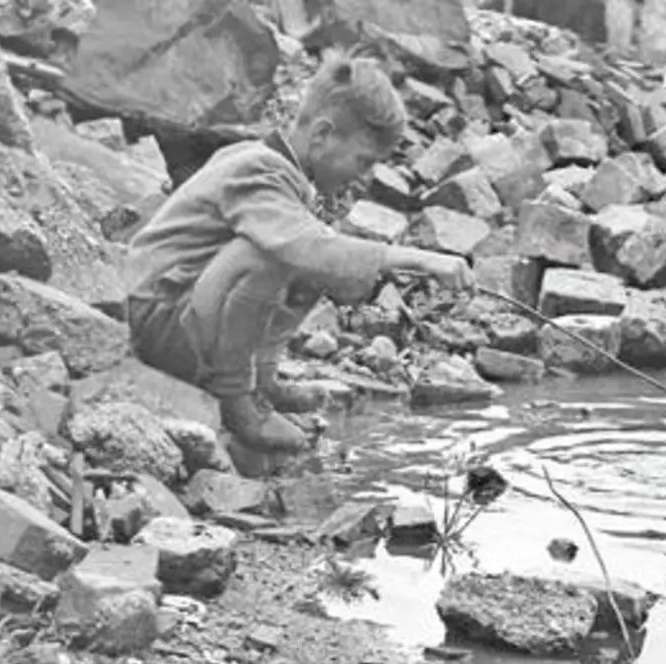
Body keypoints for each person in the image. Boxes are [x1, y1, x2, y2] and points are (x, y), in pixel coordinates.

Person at [123, 54, 472, 452]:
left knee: (322, 256)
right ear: (322, 134)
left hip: (179, 311)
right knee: (279, 253)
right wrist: (417, 258)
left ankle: (263, 378)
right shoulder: (259, 169)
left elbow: (318, 251)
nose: (363, 176)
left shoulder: (272, 167)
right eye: (363, 161)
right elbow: (303, 247)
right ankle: (237, 401)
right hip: (159, 324)